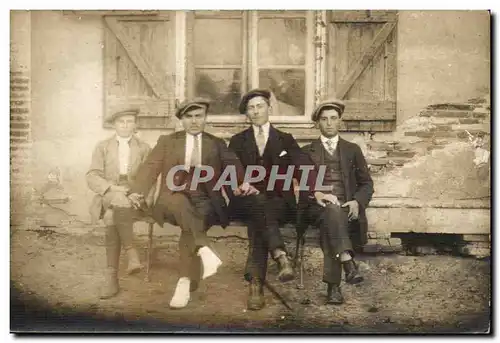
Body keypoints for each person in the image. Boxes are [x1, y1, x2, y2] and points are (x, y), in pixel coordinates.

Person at [126, 98, 257, 309]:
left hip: (205, 200)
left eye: (199, 116)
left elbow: (233, 167)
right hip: (172, 197)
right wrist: (137, 192)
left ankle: (185, 281)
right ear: (181, 120)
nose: (194, 121)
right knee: (181, 205)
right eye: (189, 117)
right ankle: (201, 252)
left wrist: (243, 183)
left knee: (193, 222)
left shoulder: (216, 144)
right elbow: (150, 167)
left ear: (205, 118)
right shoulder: (167, 141)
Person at [228, 88, 317, 311]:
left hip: (278, 202)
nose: (256, 111)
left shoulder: (285, 140)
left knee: (261, 217)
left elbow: (304, 168)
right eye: (251, 108)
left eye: (260, 106)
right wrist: (239, 184)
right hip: (246, 201)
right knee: (258, 206)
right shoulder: (238, 141)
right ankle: (280, 255)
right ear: (246, 114)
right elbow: (229, 171)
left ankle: (256, 285)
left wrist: (318, 192)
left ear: (269, 108)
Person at [297, 99, 374, 305]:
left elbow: (367, 184)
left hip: (346, 207)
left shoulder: (352, 150)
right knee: (331, 213)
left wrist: (357, 202)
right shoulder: (306, 152)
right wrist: (317, 194)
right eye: (324, 119)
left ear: (340, 121)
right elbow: (302, 188)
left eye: (333, 118)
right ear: (317, 124)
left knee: (333, 219)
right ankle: (347, 265)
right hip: (316, 208)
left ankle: (335, 287)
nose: (329, 123)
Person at [86, 106, 154, 299]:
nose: (125, 126)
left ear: (135, 124)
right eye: (121, 122)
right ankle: (131, 253)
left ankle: (111, 278)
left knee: (110, 216)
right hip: (109, 191)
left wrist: (136, 193)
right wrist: (114, 189)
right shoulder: (103, 147)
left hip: (135, 197)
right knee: (116, 200)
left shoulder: (143, 148)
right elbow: (92, 175)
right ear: (114, 125)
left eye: (129, 121)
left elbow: (148, 177)